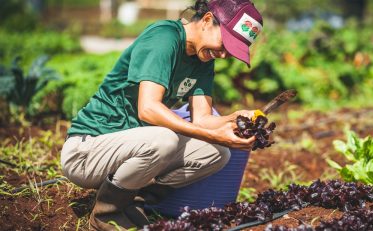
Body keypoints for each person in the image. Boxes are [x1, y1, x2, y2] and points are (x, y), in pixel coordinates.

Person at [60, 0, 264, 230]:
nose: (224, 54)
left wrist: (234, 119)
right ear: (207, 20)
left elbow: (203, 119)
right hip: (87, 151)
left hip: (129, 150)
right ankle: (107, 213)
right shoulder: (164, 38)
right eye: (225, 43)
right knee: (165, 139)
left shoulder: (203, 58)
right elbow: (148, 109)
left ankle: (133, 201)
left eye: (232, 49)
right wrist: (213, 134)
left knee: (218, 152)